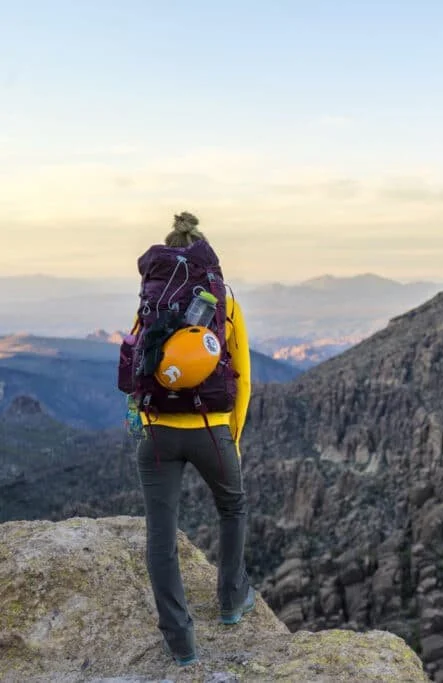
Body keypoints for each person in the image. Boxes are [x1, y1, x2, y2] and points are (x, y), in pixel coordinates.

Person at [119, 212, 255, 667]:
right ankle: (232, 602)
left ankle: (180, 642)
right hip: (211, 430)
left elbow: (138, 362)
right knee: (232, 507)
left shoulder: (152, 302)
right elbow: (245, 379)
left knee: (161, 534)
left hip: (157, 435)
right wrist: (230, 437)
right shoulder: (222, 304)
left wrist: (143, 418)